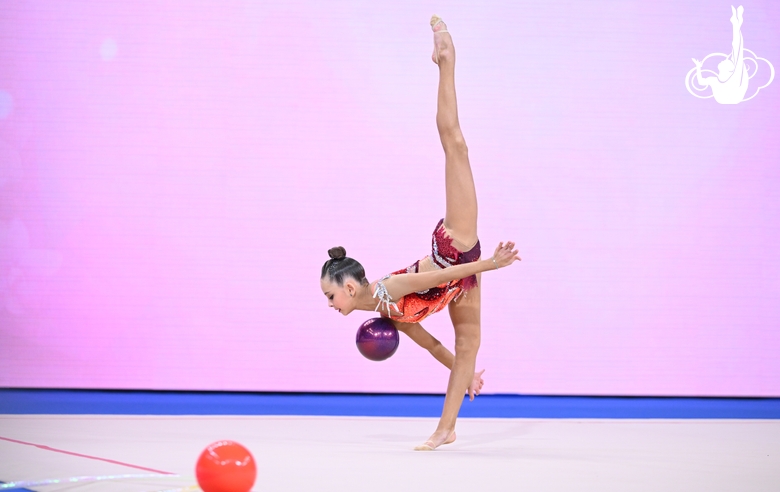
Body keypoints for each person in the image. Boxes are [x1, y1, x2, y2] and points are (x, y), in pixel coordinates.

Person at [320, 15, 521, 451]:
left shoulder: (390, 289)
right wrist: (467, 376)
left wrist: (494, 265)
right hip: (463, 275)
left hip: (456, 251)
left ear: (351, 287)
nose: (329, 304)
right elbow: (431, 345)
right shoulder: (389, 313)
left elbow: (435, 279)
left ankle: (445, 59)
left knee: (455, 144)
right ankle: (446, 429)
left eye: (330, 295)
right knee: (466, 348)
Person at [692, 5, 749, 104]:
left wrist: (698, 67)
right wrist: (698, 67)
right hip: (730, 97)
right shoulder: (717, 80)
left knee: (737, 50)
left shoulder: (728, 78)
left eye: (727, 61)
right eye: (728, 61)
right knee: (737, 51)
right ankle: (736, 24)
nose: (725, 59)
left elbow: (737, 49)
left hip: (732, 96)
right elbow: (701, 82)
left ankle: (736, 24)